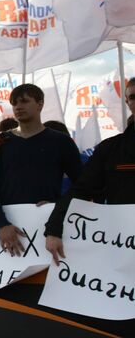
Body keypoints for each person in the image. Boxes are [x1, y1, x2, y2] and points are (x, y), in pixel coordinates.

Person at [0, 84, 83, 257]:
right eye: (14, 103)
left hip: (49, 229)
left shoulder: (61, 142)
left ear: (40, 104)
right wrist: (1, 223)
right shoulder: (0, 142)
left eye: (24, 101)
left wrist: (59, 206)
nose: (18, 107)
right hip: (8, 229)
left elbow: (82, 184)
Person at [45, 78, 135, 265]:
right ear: (127, 102)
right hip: (126, 247)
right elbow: (82, 190)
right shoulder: (110, 149)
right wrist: (54, 227)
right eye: (133, 97)